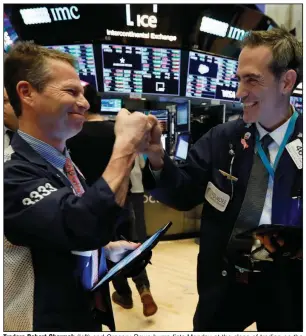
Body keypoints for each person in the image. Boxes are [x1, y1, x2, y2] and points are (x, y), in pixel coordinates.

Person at [142, 28, 303, 331]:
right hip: (226, 281)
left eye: (252, 80)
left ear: (287, 81)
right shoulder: (223, 137)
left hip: (292, 284)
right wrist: (156, 159)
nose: (239, 92)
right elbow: (184, 192)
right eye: (239, 80)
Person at [4, 42, 157, 332]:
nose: (85, 103)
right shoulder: (10, 171)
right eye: (71, 92)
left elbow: (60, 236)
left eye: (83, 93)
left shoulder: (64, 163)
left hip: (82, 314)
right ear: (27, 93)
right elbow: (82, 223)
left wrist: (107, 249)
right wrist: (124, 145)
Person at [67, 85, 158, 317]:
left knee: (104, 249)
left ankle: (121, 295)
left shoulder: (71, 136)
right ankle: (144, 289)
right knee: (128, 245)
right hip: (122, 202)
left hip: (88, 205)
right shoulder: (117, 132)